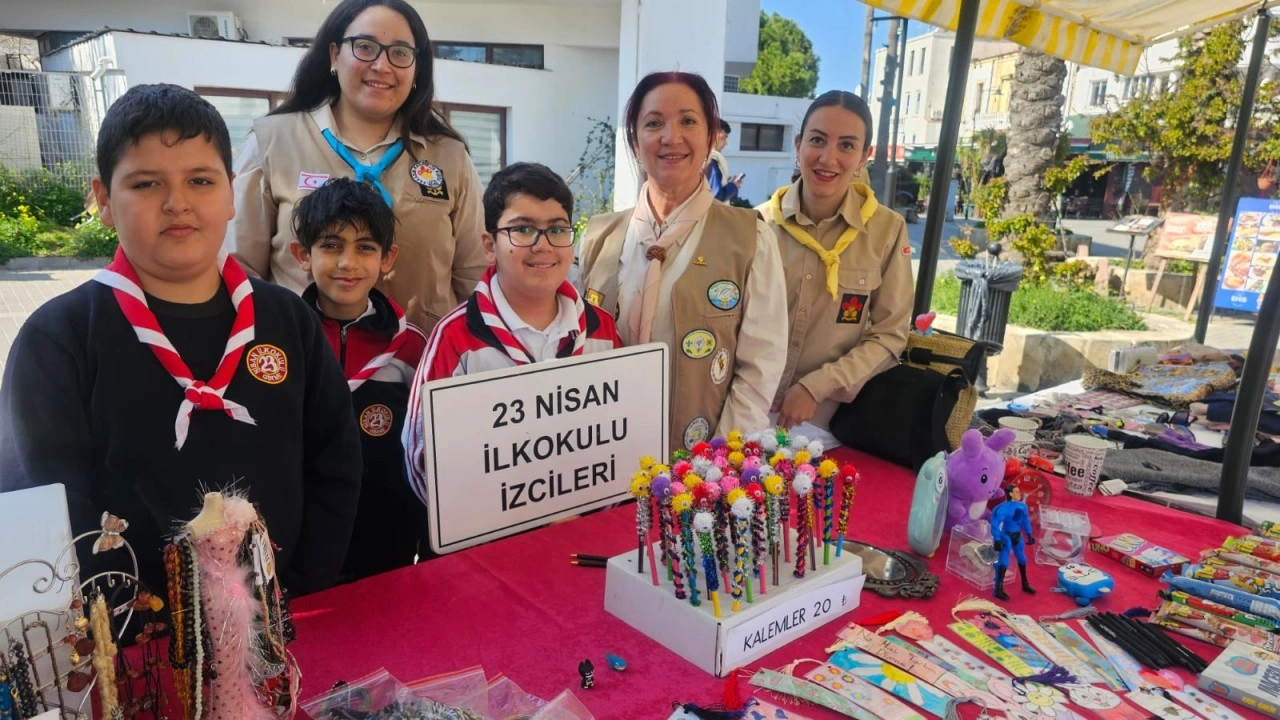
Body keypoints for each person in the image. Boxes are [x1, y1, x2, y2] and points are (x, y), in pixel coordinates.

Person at [0, 84, 362, 597]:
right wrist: (119, 624)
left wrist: (302, 588)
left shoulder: (287, 319)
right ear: (103, 198)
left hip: (281, 619)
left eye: (200, 180)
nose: (177, 204)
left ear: (230, 193)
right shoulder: (58, 338)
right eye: (146, 184)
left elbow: (335, 460)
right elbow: (43, 499)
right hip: (136, 644)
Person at [228, 0, 486, 334]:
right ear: (334, 55)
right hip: (305, 364)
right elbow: (240, 270)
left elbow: (474, 275)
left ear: (417, 67)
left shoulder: (449, 156)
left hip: (419, 368)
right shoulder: (272, 142)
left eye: (400, 52)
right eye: (365, 47)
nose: (382, 65)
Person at [580, 71, 787, 450]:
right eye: (654, 123)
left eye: (688, 121)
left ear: (710, 137)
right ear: (634, 139)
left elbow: (761, 366)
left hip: (698, 471)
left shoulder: (750, 237)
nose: (670, 137)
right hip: (602, 460)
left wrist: (718, 463)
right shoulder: (598, 237)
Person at [404, 162, 623, 504]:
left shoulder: (603, 330)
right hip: (491, 541)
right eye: (523, 230)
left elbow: (618, 433)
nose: (543, 245)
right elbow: (420, 455)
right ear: (489, 246)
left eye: (557, 229)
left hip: (584, 528)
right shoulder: (456, 337)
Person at [288, 177, 428, 579]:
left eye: (365, 248)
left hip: (386, 532)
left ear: (387, 258)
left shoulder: (411, 348)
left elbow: (423, 449)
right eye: (331, 246)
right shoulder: (282, 343)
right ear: (302, 254)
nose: (347, 263)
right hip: (301, 533)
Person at [759, 91, 912, 431]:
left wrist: (817, 387)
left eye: (846, 146)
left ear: (864, 157)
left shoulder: (886, 231)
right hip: (748, 410)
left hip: (828, 424)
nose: (828, 159)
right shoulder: (758, 226)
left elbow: (889, 336)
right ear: (798, 146)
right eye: (817, 140)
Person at [990, 484, 1036, 601]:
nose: (1018, 494)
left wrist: (1029, 533)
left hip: (1017, 535)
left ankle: (1025, 584)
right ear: (1010, 494)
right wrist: (997, 539)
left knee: (1022, 559)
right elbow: (995, 523)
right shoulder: (1002, 508)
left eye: (1018, 491)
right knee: (1004, 561)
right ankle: (998, 589)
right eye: (1016, 492)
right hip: (1006, 536)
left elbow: (1025, 520)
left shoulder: (1022, 506)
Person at [706, 119, 742, 203]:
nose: (726, 143)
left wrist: (728, 184)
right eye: (723, 137)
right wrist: (733, 186)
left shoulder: (701, 157)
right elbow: (716, 197)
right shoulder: (711, 161)